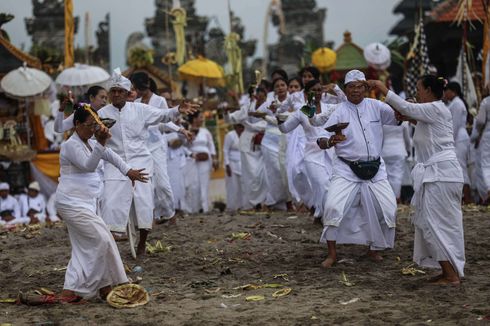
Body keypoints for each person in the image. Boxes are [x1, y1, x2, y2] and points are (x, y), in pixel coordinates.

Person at [370, 75, 465, 285]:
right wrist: (407, 118)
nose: (417, 93)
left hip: (441, 175)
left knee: (436, 223)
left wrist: (380, 86)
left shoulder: (435, 108)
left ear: (430, 91)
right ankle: (446, 269)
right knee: (431, 222)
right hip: (438, 175)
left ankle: (451, 274)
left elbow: (406, 107)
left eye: (420, 89)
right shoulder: (434, 111)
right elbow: (415, 119)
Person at [97, 69, 196, 255]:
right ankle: (112, 247)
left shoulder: (140, 110)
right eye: (113, 91)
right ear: (109, 94)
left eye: (120, 91)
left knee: (143, 203)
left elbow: (163, 116)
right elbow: (93, 135)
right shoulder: (102, 113)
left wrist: (177, 110)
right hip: (115, 164)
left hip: (140, 161)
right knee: (110, 203)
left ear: (128, 94)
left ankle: (142, 243)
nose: (116, 94)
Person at [55, 103, 148, 302]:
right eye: (90, 125)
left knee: (85, 246)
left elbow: (110, 155)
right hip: (71, 203)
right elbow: (88, 166)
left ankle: (76, 289)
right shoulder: (70, 145)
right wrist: (102, 142)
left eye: (95, 126)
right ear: (77, 124)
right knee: (103, 240)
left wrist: (128, 171)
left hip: (87, 203)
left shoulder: (89, 142)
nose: (93, 130)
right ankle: (115, 283)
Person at [315, 70, 398, 268]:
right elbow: (320, 139)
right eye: (351, 87)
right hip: (346, 169)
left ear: (365, 88)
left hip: (376, 169)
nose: (356, 91)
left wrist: (388, 92)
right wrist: (330, 141)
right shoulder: (338, 111)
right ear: (345, 89)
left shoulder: (376, 106)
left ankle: (374, 248)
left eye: (360, 86)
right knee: (333, 207)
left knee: (388, 209)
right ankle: (332, 254)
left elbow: (398, 116)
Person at [131, 72, 193, 223]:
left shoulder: (160, 101)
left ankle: (169, 213)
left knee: (162, 183)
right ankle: (151, 216)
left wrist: (181, 130)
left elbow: (166, 120)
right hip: (141, 148)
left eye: (137, 87)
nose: (136, 90)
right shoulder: (135, 102)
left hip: (157, 146)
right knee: (145, 184)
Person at [279, 79, 335, 218]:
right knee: (321, 183)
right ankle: (325, 215)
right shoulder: (302, 111)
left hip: (331, 152)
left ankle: (321, 214)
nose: (316, 93)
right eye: (313, 91)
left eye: (319, 90)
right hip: (312, 152)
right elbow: (285, 129)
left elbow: (345, 101)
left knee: (330, 185)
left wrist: (336, 89)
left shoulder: (329, 107)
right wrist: (279, 120)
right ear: (306, 93)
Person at [225, 87, 268, 210]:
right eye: (256, 95)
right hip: (247, 143)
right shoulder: (247, 107)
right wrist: (225, 112)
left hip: (264, 141)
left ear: (266, 96)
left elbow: (271, 121)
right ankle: (252, 203)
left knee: (263, 173)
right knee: (250, 174)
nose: (259, 97)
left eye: (262, 95)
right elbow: (231, 118)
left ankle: (265, 201)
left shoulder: (270, 107)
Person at [257, 77, 292, 210]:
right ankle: (275, 201)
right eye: (277, 86)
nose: (280, 88)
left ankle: (290, 200)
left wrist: (268, 117)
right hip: (269, 141)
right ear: (274, 89)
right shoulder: (269, 102)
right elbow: (255, 112)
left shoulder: (292, 101)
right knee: (274, 171)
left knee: (286, 170)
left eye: (283, 85)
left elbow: (297, 115)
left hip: (286, 140)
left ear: (287, 87)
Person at [444, 82, 472, 203]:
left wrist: (450, 141)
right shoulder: (455, 103)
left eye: (447, 90)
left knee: (461, 168)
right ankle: (463, 197)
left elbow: (454, 125)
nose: (445, 93)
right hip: (459, 137)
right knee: (458, 168)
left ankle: (468, 197)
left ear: (453, 91)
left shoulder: (457, 104)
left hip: (458, 138)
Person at [185, 111, 217, 213]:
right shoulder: (186, 130)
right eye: (200, 117)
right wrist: (193, 154)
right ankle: (194, 207)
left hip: (205, 160)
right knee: (193, 184)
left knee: (204, 183)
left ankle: (204, 207)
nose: (202, 119)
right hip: (191, 160)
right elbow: (184, 146)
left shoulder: (205, 131)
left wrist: (214, 158)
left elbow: (211, 145)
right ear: (194, 119)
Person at [381, 123, 411, 202]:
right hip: (399, 150)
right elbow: (407, 139)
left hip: (385, 151)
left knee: (386, 176)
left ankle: (387, 198)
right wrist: (409, 149)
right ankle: (396, 198)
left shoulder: (383, 122)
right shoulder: (403, 122)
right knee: (397, 176)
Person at [223, 124, 245, 212]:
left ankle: (242, 205)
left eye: (242, 127)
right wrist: (227, 165)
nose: (241, 129)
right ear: (235, 127)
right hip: (231, 163)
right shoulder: (230, 135)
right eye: (239, 127)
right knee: (232, 186)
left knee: (242, 186)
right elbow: (225, 150)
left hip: (243, 163)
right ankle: (232, 206)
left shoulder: (245, 135)